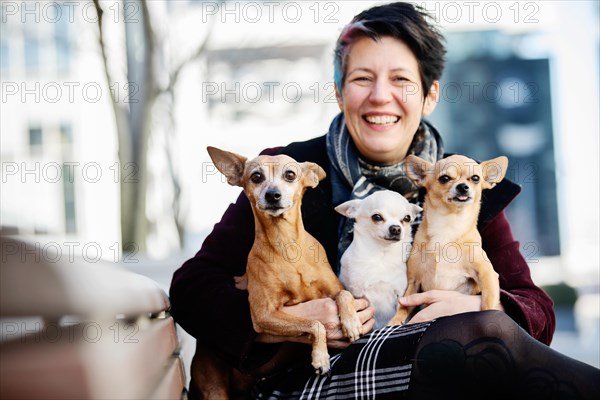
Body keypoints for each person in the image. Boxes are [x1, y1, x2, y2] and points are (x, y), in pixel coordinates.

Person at [170, 3, 600, 399]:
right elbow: (191, 288)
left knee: (479, 333)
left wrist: (475, 306)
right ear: (339, 93)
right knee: (477, 342)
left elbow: (537, 307)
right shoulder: (286, 174)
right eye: (362, 78)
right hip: (304, 377)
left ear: (429, 95)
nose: (380, 96)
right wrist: (290, 324)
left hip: (439, 362)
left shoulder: (460, 184)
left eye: (400, 80)